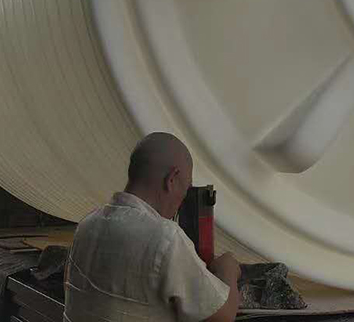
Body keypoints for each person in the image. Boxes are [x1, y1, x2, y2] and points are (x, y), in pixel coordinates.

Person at [64, 132, 241, 322]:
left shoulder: (87, 224)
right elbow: (223, 317)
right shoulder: (165, 237)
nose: (182, 200)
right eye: (186, 188)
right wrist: (228, 270)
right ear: (172, 179)